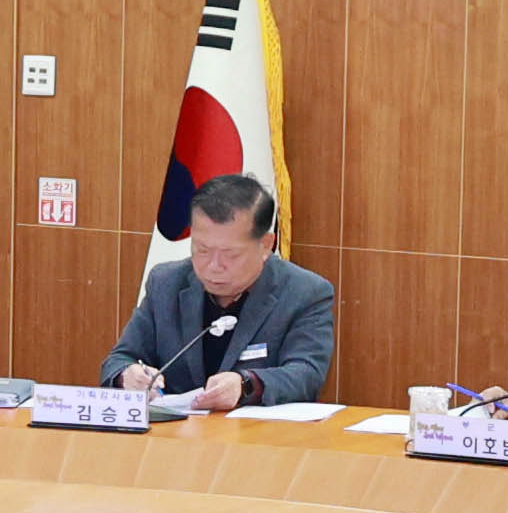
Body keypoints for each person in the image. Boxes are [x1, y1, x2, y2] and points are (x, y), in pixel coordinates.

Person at [100, 175, 333, 413]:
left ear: (265, 245)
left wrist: (245, 385)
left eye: (230, 254)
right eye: (202, 250)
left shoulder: (305, 292)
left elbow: (307, 374)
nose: (214, 266)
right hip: (175, 431)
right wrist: (128, 375)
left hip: (257, 432)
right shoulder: (166, 283)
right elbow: (119, 360)